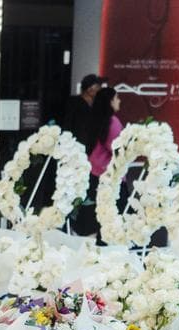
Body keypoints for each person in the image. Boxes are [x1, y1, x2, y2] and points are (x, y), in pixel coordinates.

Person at [74, 87, 124, 237]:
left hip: (94, 174)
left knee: (97, 217)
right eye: (117, 98)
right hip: (111, 177)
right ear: (110, 102)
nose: (119, 101)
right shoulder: (112, 122)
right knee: (112, 218)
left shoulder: (93, 119)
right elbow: (119, 149)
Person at [61, 74, 105, 148]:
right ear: (89, 89)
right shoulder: (74, 103)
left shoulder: (97, 106)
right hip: (76, 149)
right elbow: (67, 126)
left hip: (93, 149)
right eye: (98, 86)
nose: (100, 89)